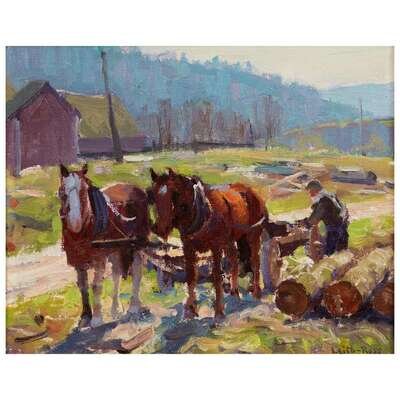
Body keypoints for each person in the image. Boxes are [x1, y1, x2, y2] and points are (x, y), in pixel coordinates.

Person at [298, 180, 349, 256]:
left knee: (329, 254)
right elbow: (343, 208)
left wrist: (305, 223)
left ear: (315, 190)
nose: (310, 195)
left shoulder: (323, 201)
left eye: (310, 192)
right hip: (342, 228)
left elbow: (315, 218)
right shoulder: (331, 196)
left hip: (334, 230)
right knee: (342, 252)